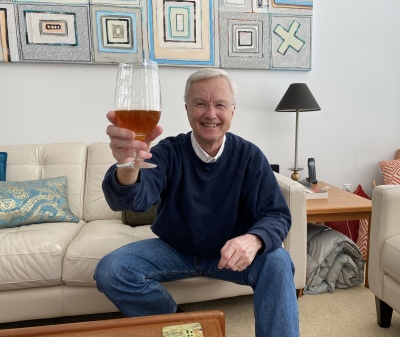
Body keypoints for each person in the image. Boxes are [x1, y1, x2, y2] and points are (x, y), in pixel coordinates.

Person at [95, 68, 300, 337]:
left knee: (278, 260)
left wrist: (254, 239)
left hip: (227, 255)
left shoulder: (249, 156)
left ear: (233, 111)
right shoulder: (168, 151)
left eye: (220, 105)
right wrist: (128, 164)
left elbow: (277, 214)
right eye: (200, 103)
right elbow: (136, 200)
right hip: (175, 249)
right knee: (112, 269)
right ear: (187, 109)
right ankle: (183, 329)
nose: (210, 113)